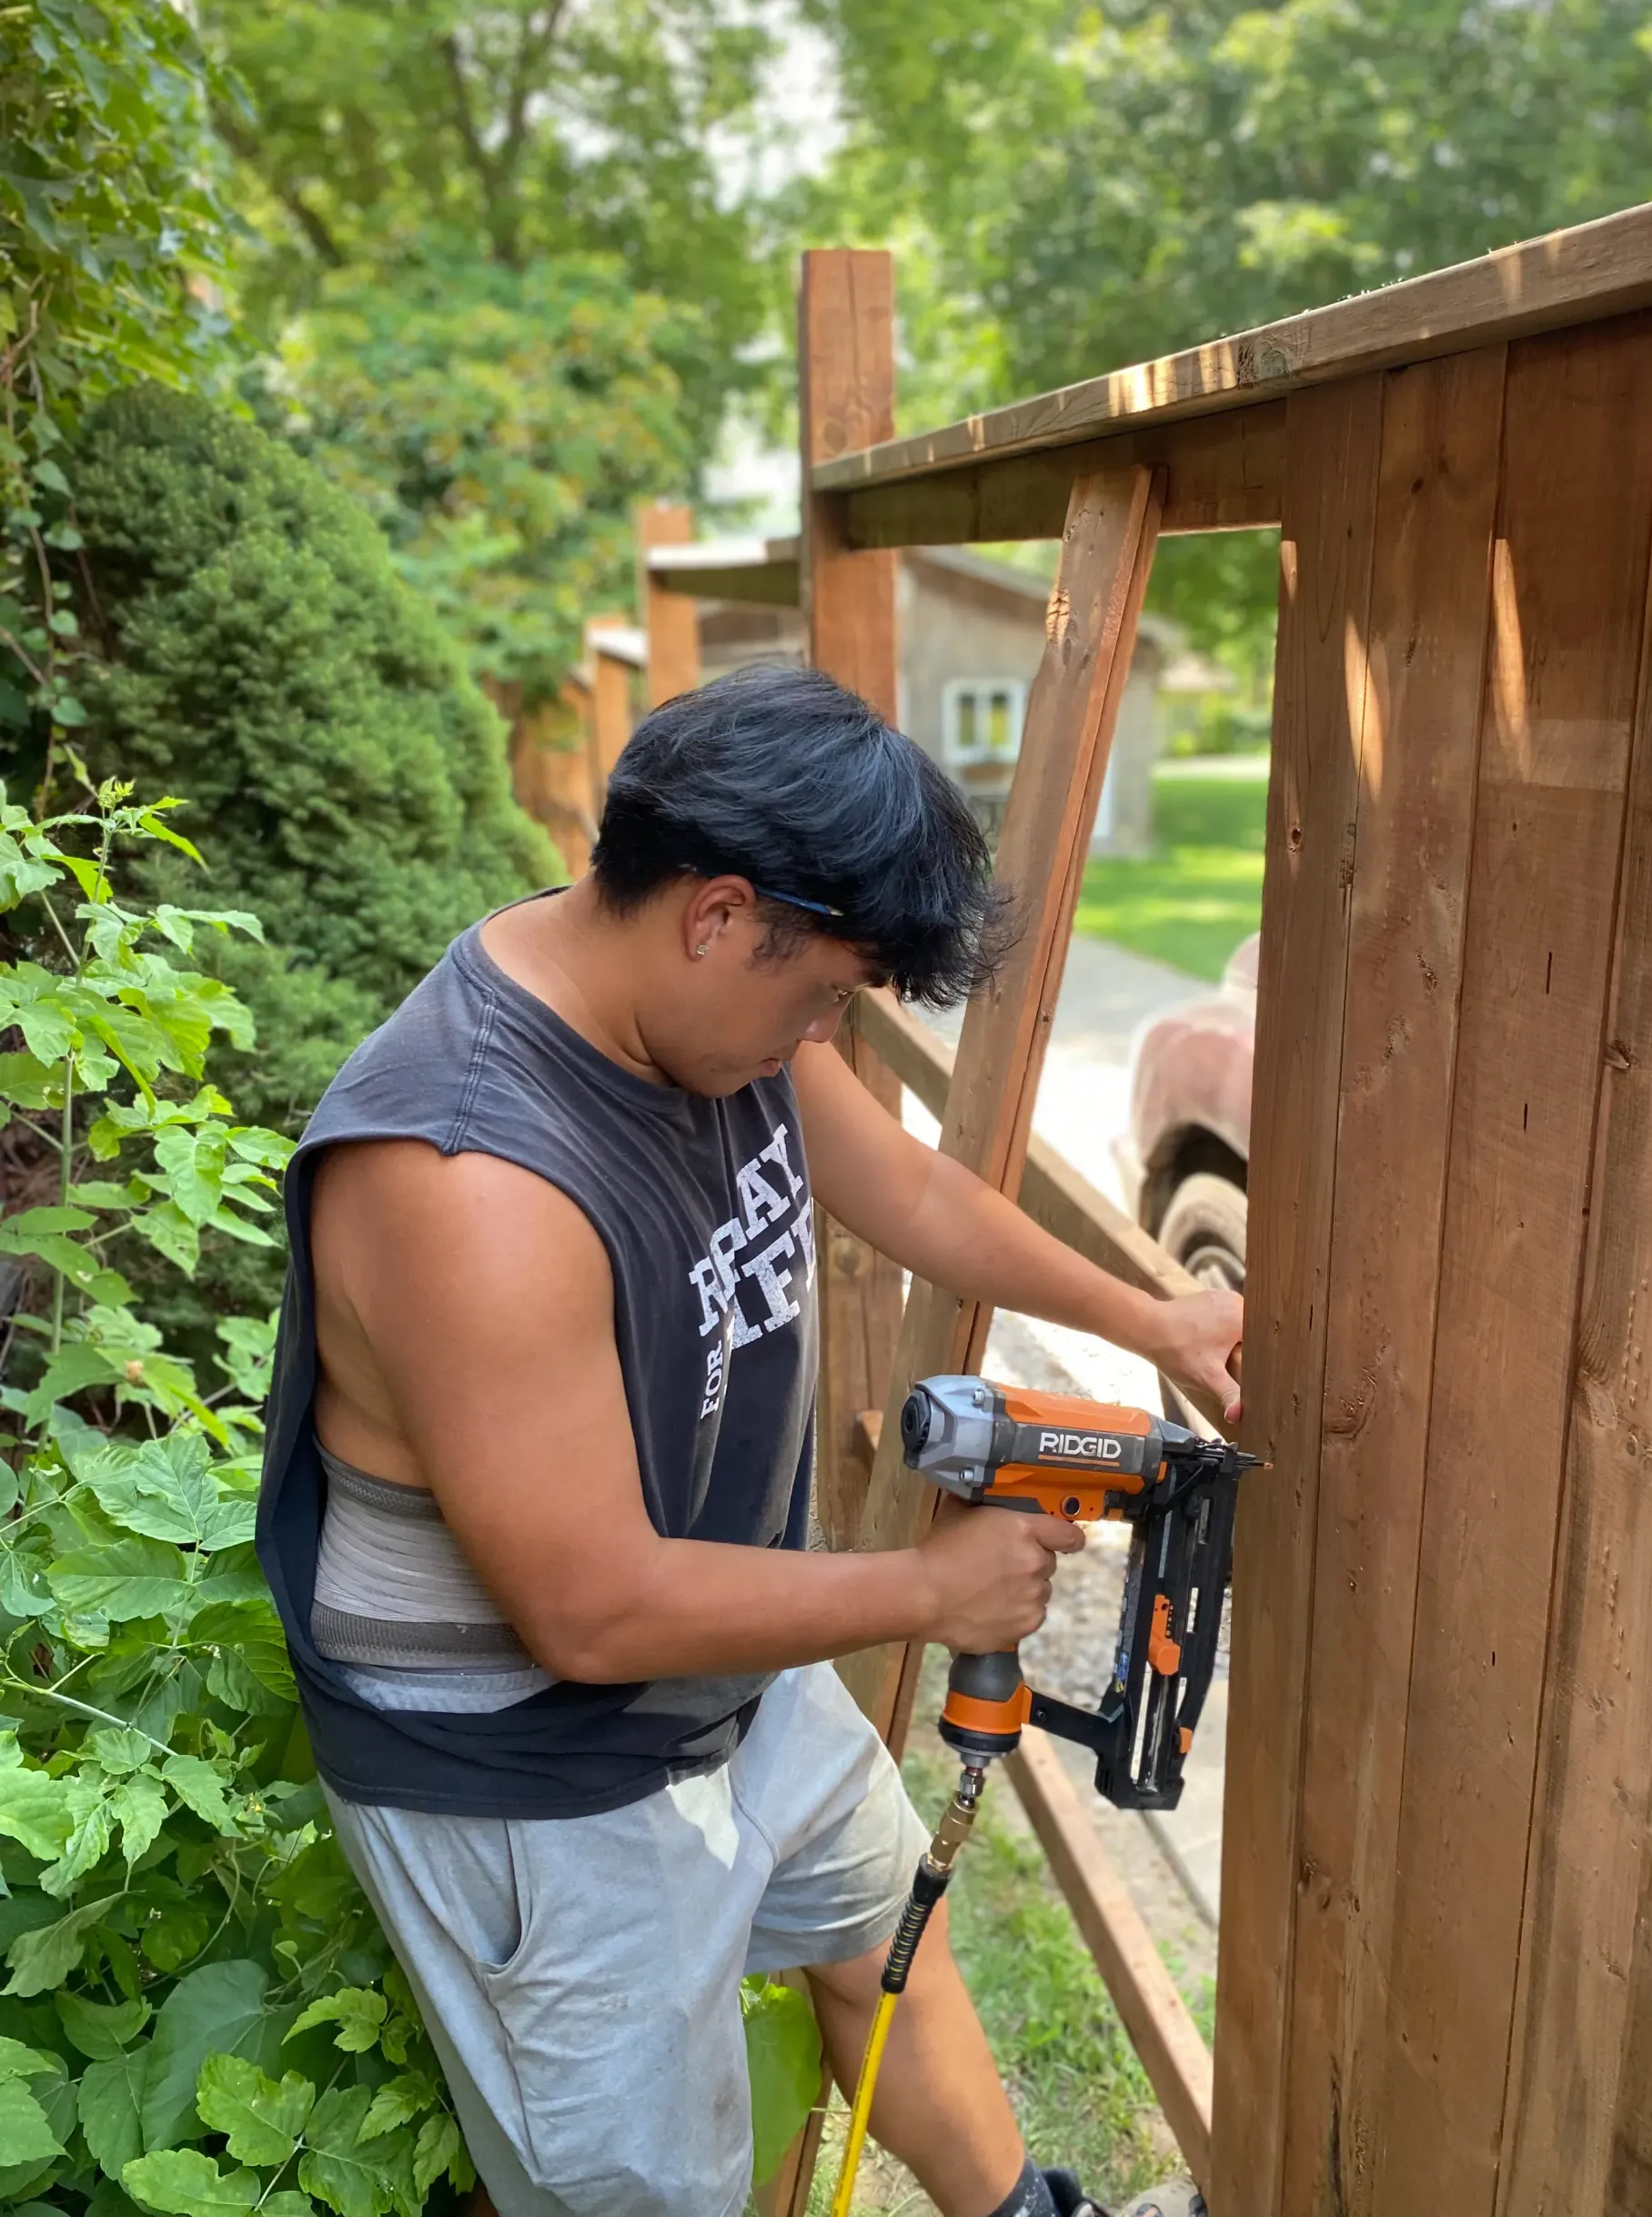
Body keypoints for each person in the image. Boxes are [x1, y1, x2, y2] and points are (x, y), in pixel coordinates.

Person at [257, 663, 1244, 2217]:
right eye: (826, 994)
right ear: (717, 913)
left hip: (721, 1647)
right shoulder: (470, 1183)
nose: (824, 1027)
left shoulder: (697, 1002)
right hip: (533, 1774)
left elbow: (906, 1194)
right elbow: (588, 1614)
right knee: (658, 2183)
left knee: (868, 1934)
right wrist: (929, 1593)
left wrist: (1155, 1317)